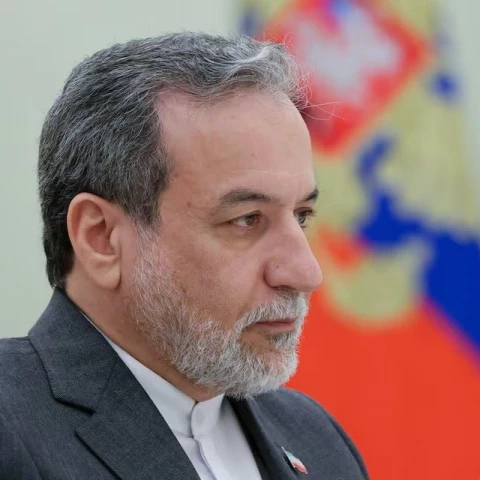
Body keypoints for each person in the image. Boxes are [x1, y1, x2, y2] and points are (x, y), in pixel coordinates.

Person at [0, 32, 368, 480]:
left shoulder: (317, 438)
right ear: (101, 238)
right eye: (247, 219)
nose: (306, 272)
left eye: (302, 216)